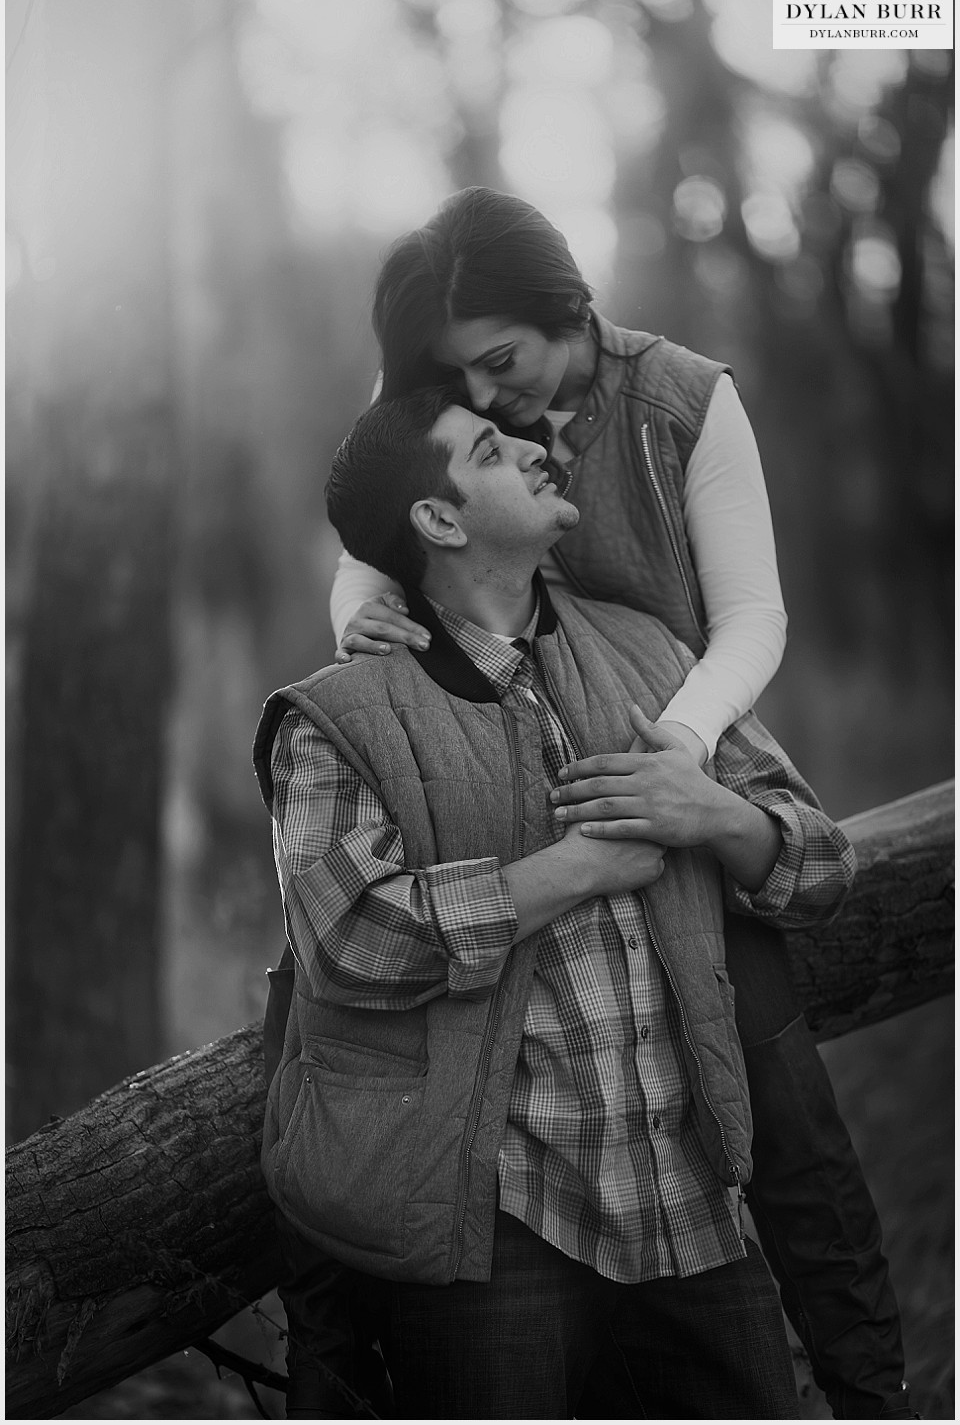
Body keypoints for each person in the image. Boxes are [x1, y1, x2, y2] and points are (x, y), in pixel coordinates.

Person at [326, 188, 913, 1420]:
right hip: (493, 770)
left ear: (568, 309)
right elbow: (374, 527)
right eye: (459, 378)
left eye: (502, 362)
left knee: (779, 1109)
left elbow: (753, 615)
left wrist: (681, 761)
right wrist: (357, 620)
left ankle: (873, 1389)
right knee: (388, 1099)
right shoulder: (442, 422)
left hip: (670, 742)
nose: (490, 399)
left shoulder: (681, 404)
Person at [254, 383, 860, 1419]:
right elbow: (347, 939)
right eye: (493, 449)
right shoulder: (337, 718)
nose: (537, 450)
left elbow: (822, 867)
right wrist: (578, 867)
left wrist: (706, 813)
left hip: (695, 1213)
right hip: (490, 1231)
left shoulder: (656, 656)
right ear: (439, 520)